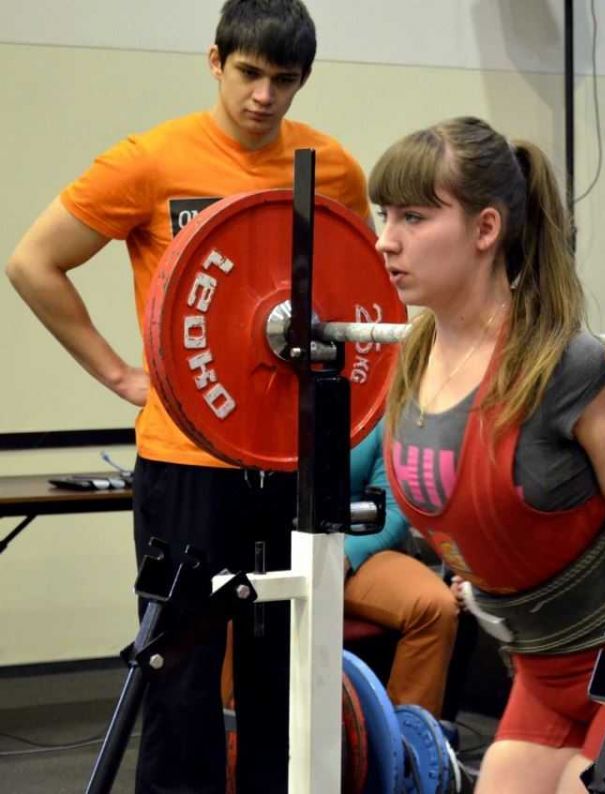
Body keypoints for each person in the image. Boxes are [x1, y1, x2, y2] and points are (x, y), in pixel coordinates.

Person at [5, 1, 367, 791]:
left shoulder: (333, 170)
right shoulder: (151, 160)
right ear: (215, 61)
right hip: (186, 462)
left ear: (302, 80)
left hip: (290, 463)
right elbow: (32, 262)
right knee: (182, 674)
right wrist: (119, 375)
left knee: (286, 674)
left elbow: (358, 297)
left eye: (283, 80)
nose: (263, 96)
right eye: (248, 73)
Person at [369, 116, 605, 794]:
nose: (387, 238)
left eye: (414, 217)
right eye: (384, 214)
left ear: (485, 229)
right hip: (545, 668)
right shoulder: (415, 356)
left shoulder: (563, 365)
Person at [344, 422, 459, 715]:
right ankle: (236, 733)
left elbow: (393, 511)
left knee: (434, 606)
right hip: (270, 549)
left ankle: (408, 738)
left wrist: (344, 556)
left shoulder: (378, 410)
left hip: (354, 550)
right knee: (239, 594)